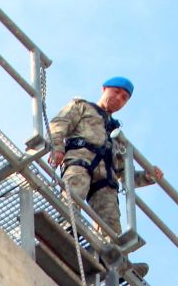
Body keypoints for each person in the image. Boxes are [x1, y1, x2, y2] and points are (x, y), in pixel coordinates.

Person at [47, 76, 161, 237]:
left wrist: (149, 176)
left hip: (106, 179)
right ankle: (64, 233)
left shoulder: (117, 135)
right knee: (72, 198)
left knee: (111, 223)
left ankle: (113, 259)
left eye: (124, 98)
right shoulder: (82, 107)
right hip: (80, 163)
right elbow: (58, 125)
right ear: (104, 89)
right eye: (116, 92)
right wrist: (57, 148)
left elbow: (125, 175)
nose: (119, 99)